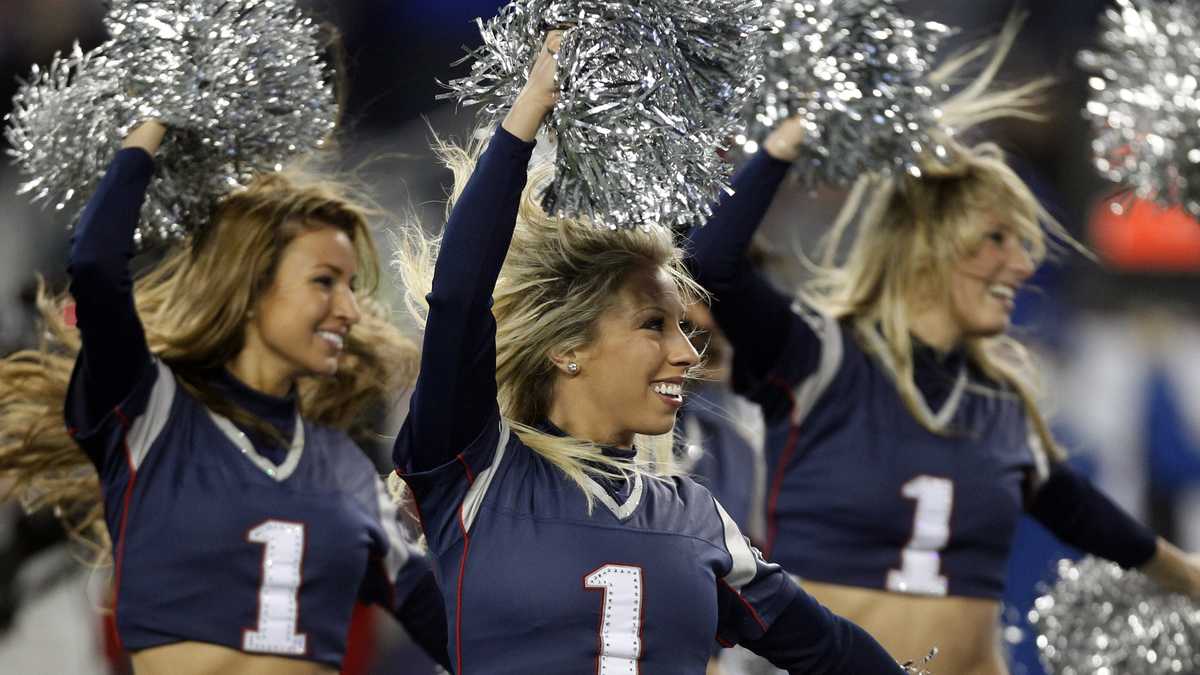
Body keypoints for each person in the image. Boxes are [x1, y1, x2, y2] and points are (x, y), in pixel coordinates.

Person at [686, 22, 1200, 675]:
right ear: (927, 246)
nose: (1022, 263)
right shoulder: (818, 358)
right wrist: (789, 137)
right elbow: (712, 263)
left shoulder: (1001, 401)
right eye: (996, 239)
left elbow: (1075, 507)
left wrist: (1182, 570)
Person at [390, 32, 910, 675]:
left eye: (684, 329)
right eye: (653, 325)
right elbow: (460, 299)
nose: (686, 354)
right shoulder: (475, 471)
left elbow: (826, 647)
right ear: (566, 347)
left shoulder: (696, 516)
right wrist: (530, 109)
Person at [0, 120, 450, 674]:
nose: (351, 310)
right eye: (324, 281)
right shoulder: (154, 418)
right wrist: (150, 124)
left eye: (349, 287)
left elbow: (452, 629)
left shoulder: (343, 471)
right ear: (252, 288)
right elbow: (95, 267)